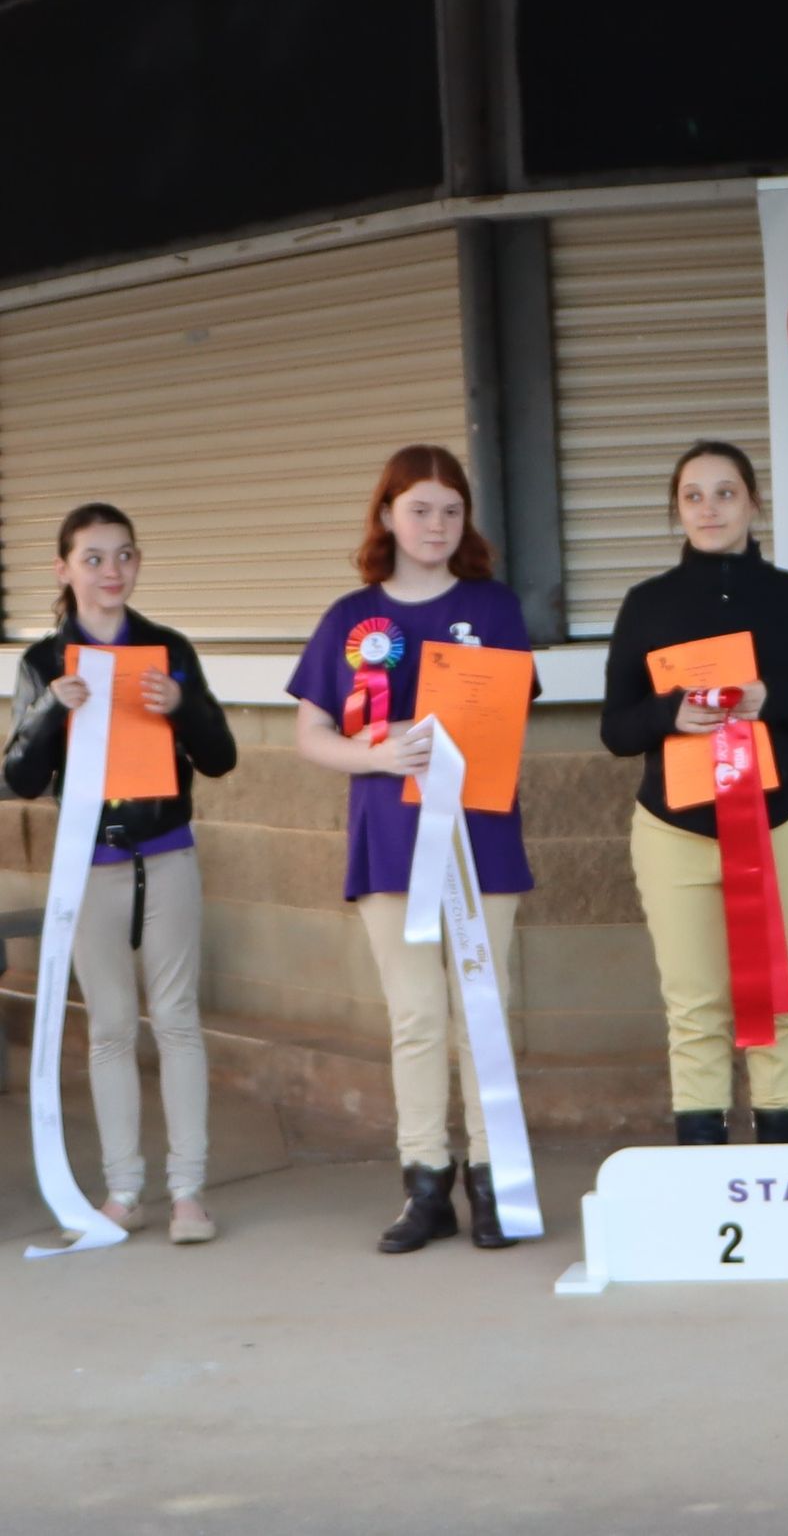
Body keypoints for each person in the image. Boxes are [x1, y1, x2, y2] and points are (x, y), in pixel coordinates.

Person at [288, 446, 535, 1253]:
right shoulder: (350, 619)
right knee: (417, 1017)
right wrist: (378, 755)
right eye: (420, 509)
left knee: (483, 1012)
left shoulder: (495, 607)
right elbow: (311, 733)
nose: (436, 525)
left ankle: (495, 1182)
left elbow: (509, 713)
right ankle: (425, 1184)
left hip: (480, 838)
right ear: (387, 515)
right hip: (390, 843)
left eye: (452, 510)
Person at [601, 440, 788, 1145]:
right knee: (695, 1008)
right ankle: (705, 1176)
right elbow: (615, 729)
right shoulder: (647, 603)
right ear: (676, 510)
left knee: (777, 1000)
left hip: (778, 824)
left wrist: (772, 699)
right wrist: (668, 715)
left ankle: (782, 1167)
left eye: (726, 492)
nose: (710, 508)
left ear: (754, 503)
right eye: (693, 495)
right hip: (674, 831)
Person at [4, 503, 236, 1244]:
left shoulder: (167, 648)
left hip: (165, 850)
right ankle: (124, 1190)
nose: (112, 571)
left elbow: (221, 756)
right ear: (64, 569)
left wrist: (184, 707)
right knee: (108, 1025)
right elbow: (19, 776)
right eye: (94, 557)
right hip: (88, 862)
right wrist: (49, 712)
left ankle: (189, 1192)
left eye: (125, 555)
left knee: (176, 1018)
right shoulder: (43, 662)